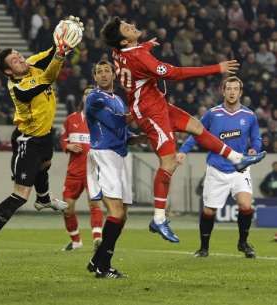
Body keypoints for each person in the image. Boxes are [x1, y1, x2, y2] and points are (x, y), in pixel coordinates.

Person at [100, 17, 266, 243]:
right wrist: (217, 68)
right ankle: (158, 219)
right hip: (149, 112)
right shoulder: (138, 56)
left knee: (196, 126)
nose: (132, 26)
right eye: (127, 28)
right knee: (168, 163)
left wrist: (146, 45)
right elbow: (175, 73)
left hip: (156, 103)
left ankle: (237, 159)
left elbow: (133, 56)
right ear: (124, 41)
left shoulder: (121, 52)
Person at [0, 17, 84, 268]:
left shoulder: (30, 63)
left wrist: (63, 39)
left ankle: (43, 199)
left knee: (45, 165)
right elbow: (50, 77)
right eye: (14, 61)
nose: (21, 60)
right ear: (8, 71)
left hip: (44, 136)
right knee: (20, 195)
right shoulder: (19, 86)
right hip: (27, 141)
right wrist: (60, 56)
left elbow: (50, 53)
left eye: (19, 56)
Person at [177, 76, 262, 258]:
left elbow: (257, 137)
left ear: (240, 92)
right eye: (228, 88)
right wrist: (183, 150)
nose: (232, 92)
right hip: (217, 168)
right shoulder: (212, 114)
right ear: (223, 91)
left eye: (235, 89)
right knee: (209, 211)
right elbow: (196, 134)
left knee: (246, 206)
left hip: (240, 167)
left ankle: (243, 243)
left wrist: (254, 148)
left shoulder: (249, 116)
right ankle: (204, 247)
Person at [85, 60, 146, 278]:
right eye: (98, 71)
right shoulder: (95, 98)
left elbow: (122, 131)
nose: (103, 74)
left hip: (119, 157)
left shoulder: (118, 100)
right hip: (103, 155)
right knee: (116, 213)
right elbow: (115, 122)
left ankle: (96, 260)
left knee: (123, 216)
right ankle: (103, 267)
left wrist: (138, 138)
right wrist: (142, 109)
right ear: (94, 77)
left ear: (113, 74)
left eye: (106, 71)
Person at [59, 86, 103, 251]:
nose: (89, 97)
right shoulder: (71, 119)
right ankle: (76, 241)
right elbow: (62, 139)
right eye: (86, 94)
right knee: (67, 207)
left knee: (95, 205)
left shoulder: (102, 121)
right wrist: (68, 145)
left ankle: (98, 238)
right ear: (83, 99)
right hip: (74, 172)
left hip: (93, 170)